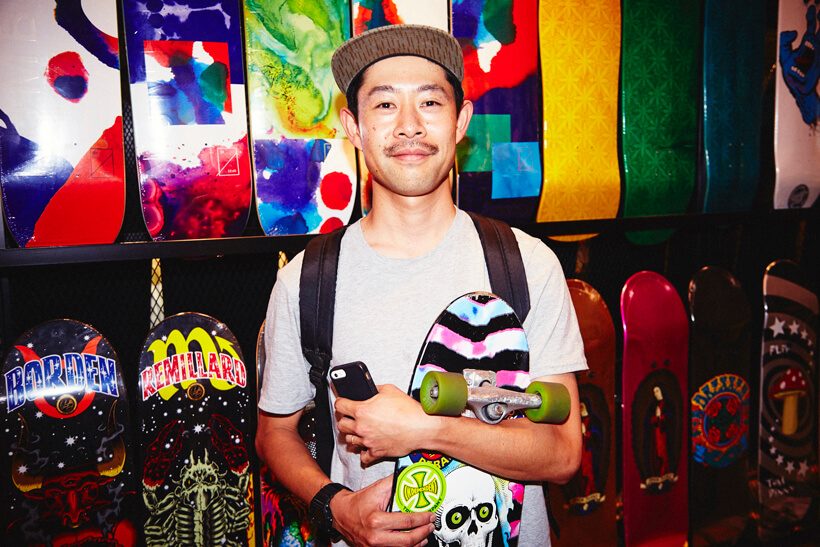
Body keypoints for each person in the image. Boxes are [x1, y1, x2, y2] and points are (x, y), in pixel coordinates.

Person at [256, 24, 587, 547]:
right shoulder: (307, 280)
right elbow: (275, 433)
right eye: (385, 105)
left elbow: (564, 453)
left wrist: (427, 429)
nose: (409, 126)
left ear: (461, 122)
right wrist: (336, 508)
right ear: (353, 126)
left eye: (430, 102)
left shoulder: (527, 264)